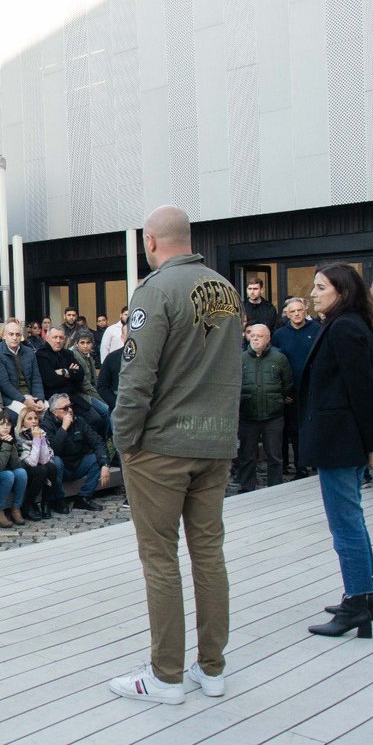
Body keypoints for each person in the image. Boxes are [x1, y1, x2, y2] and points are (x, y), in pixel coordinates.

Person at [109, 205, 241, 705]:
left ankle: (165, 674)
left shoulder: (155, 290)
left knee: (159, 558)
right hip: (215, 441)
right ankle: (212, 668)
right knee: (208, 552)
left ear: (150, 241)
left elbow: (136, 377)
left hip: (162, 446)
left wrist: (124, 440)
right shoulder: (227, 290)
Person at [302, 264, 373, 638]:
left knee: (345, 524)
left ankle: (357, 602)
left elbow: (365, 389)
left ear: (342, 291)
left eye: (321, 287)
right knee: (352, 520)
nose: (313, 293)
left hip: (341, 440)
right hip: (343, 438)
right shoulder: (343, 324)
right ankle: (366, 595)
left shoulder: (346, 327)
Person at [237, 324, 293, 492]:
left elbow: (288, 384)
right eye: (252, 335)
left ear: (268, 339)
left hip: (273, 416)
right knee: (247, 456)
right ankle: (247, 489)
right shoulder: (241, 359)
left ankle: (274, 489)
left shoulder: (279, 358)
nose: (255, 338)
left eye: (259, 336)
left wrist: (276, 400)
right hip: (248, 416)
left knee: (275, 456)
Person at [271, 297, 320, 478]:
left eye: (300, 310)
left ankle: (316, 462)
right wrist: (283, 391)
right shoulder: (280, 335)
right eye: (292, 311)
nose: (297, 314)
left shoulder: (317, 330)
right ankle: (300, 467)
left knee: (315, 426)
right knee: (294, 430)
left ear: (306, 311)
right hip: (292, 391)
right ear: (287, 314)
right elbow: (275, 364)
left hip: (314, 389)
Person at [38, 326, 106, 436]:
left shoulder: (67, 354)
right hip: (55, 398)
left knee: (101, 416)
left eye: (61, 337)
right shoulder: (41, 355)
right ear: (47, 338)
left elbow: (80, 374)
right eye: (55, 337)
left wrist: (63, 372)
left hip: (74, 395)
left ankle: (101, 447)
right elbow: (50, 381)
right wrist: (70, 373)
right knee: (94, 419)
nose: (58, 340)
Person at [0, 318, 47, 413]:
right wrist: (24, 400)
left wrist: (40, 399)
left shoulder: (29, 352)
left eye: (17, 334)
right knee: (26, 414)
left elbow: (36, 378)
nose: (14, 337)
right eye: (11, 334)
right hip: (11, 398)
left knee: (48, 410)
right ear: (4, 335)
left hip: (32, 396)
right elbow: (4, 384)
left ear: (22, 336)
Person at [0, 410, 29, 527]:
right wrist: (6, 445)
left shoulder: (10, 439)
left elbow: (17, 466)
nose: (5, 427)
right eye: (1, 424)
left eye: (8, 424)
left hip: (7, 477)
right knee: (9, 474)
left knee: (21, 472)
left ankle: (16, 508)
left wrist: (12, 446)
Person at [14, 406, 56, 520]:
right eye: (29, 419)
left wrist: (40, 439)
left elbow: (44, 460)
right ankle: (27, 505)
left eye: (35, 418)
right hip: (24, 467)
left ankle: (45, 503)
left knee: (51, 467)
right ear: (23, 422)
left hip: (37, 464)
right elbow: (32, 462)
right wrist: (37, 440)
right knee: (41, 470)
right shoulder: (20, 436)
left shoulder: (41, 433)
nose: (34, 421)